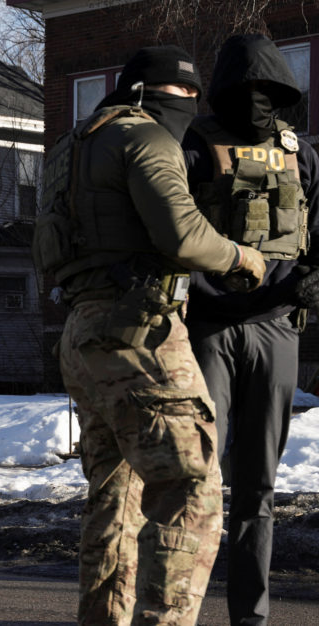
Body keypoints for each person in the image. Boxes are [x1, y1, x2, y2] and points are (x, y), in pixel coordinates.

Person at [33, 46, 266, 624]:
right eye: (187, 95)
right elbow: (182, 235)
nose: (190, 106)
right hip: (141, 333)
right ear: (158, 92)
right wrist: (243, 256)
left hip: (84, 333)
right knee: (190, 489)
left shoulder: (72, 145)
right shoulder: (146, 138)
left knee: (116, 499)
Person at [182, 33, 319, 625]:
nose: (257, 102)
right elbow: (169, 226)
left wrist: (312, 280)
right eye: (245, 91)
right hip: (206, 327)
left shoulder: (302, 153)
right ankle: (173, 610)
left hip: (277, 329)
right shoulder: (193, 144)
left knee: (259, 486)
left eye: (269, 92)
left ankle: (251, 618)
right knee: (193, 474)